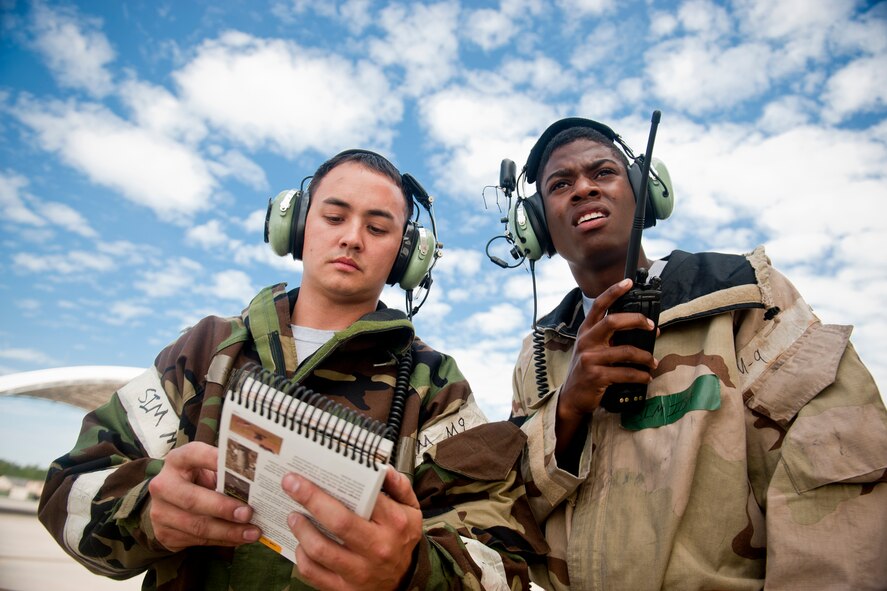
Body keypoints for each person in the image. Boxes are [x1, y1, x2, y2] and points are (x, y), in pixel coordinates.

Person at [39, 149, 547, 591]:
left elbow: (505, 563)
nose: (352, 239)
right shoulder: (207, 348)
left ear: (405, 257)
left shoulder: (435, 385)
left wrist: (408, 571)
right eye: (334, 217)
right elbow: (67, 494)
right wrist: (149, 510)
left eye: (376, 227)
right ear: (298, 226)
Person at [505, 117, 887, 590]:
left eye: (603, 173)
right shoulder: (537, 355)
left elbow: (833, 480)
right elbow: (506, 507)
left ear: (644, 192)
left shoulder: (744, 298)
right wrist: (566, 410)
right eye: (560, 184)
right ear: (537, 224)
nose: (583, 189)